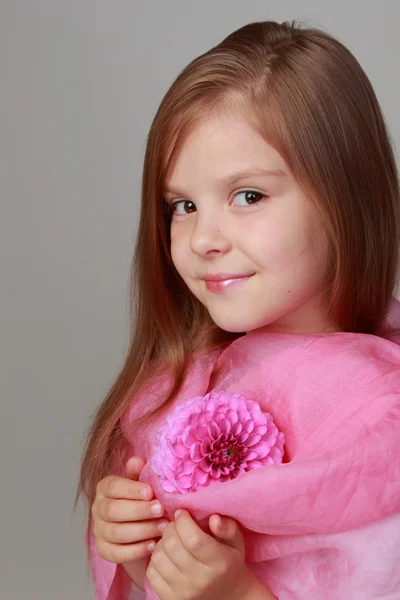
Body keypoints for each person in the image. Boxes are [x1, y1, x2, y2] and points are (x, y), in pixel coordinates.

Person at [74, 19, 400, 600]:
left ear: (345, 196)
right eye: (183, 204)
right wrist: (132, 539)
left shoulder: (377, 415)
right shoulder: (185, 377)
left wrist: (239, 594)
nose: (203, 239)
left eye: (248, 196)